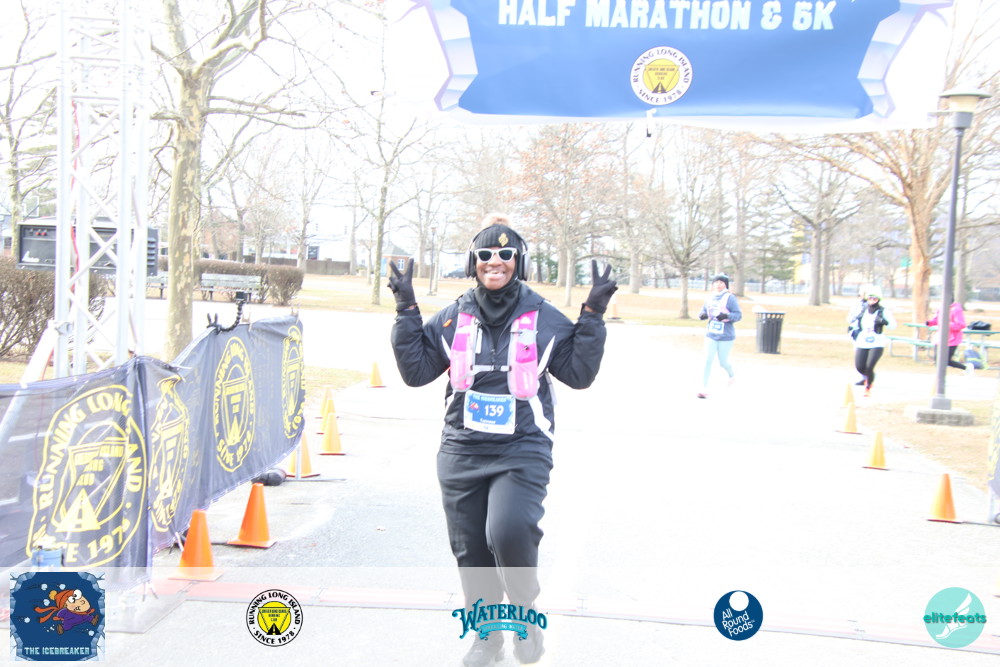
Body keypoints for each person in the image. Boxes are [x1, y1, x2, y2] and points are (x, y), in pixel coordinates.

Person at [388, 214, 616, 666]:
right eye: (486, 254)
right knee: (471, 549)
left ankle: (524, 614)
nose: (496, 261)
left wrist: (592, 316)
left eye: (506, 254)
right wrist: (406, 311)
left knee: (507, 530)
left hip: (522, 448)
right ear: (473, 262)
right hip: (461, 449)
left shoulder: (543, 316)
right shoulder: (454, 316)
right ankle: (487, 638)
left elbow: (578, 374)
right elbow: (415, 372)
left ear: (519, 261)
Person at [697, 273, 742, 399]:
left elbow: (738, 315)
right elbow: (703, 310)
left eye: (721, 282)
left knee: (723, 362)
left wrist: (727, 316)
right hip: (711, 334)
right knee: (707, 360)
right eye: (716, 282)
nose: (718, 285)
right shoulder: (710, 297)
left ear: (726, 285)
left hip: (726, 335)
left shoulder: (730, 298)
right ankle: (703, 388)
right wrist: (702, 315)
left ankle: (732, 373)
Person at [849, 285, 895, 396]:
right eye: (870, 298)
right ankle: (870, 376)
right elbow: (853, 320)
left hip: (877, 342)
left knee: (869, 366)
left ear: (878, 299)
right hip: (863, 341)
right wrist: (853, 327)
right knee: (860, 367)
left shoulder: (883, 311)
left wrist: (884, 322)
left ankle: (868, 387)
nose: (872, 300)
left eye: (875, 298)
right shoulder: (863, 309)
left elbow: (893, 326)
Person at [927, 297, 969, 374]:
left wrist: (947, 323)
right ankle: (939, 376)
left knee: (946, 360)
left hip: (952, 339)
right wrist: (930, 323)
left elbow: (961, 325)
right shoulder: (941, 308)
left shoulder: (957, 310)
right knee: (937, 360)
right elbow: (937, 320)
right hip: (940, 337)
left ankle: (966, 368)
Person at [847, 286, 871, 385]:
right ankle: (864, 376)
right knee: (858, 354)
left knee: (864, 355)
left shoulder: (869, 305)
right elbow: (850, 317)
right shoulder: (857, 304)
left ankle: (868, 376)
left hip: (864, 332)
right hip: (855, 330)